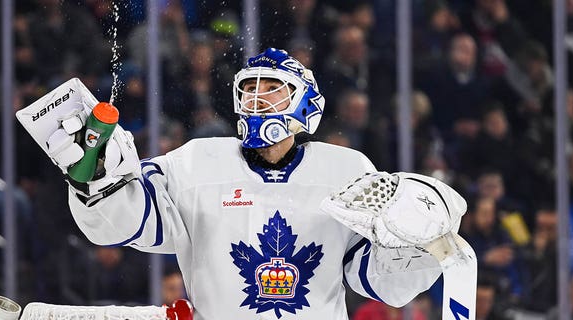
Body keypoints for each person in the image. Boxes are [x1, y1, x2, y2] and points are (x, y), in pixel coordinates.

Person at [39, 48, 467, 319]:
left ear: (306, 106)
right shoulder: (195, 161)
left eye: (273, 88)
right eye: (251, 87)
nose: (258, 97)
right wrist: (95, 183)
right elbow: (129, 226)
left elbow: (376, 282)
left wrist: (416, 250)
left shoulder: (347, 169)